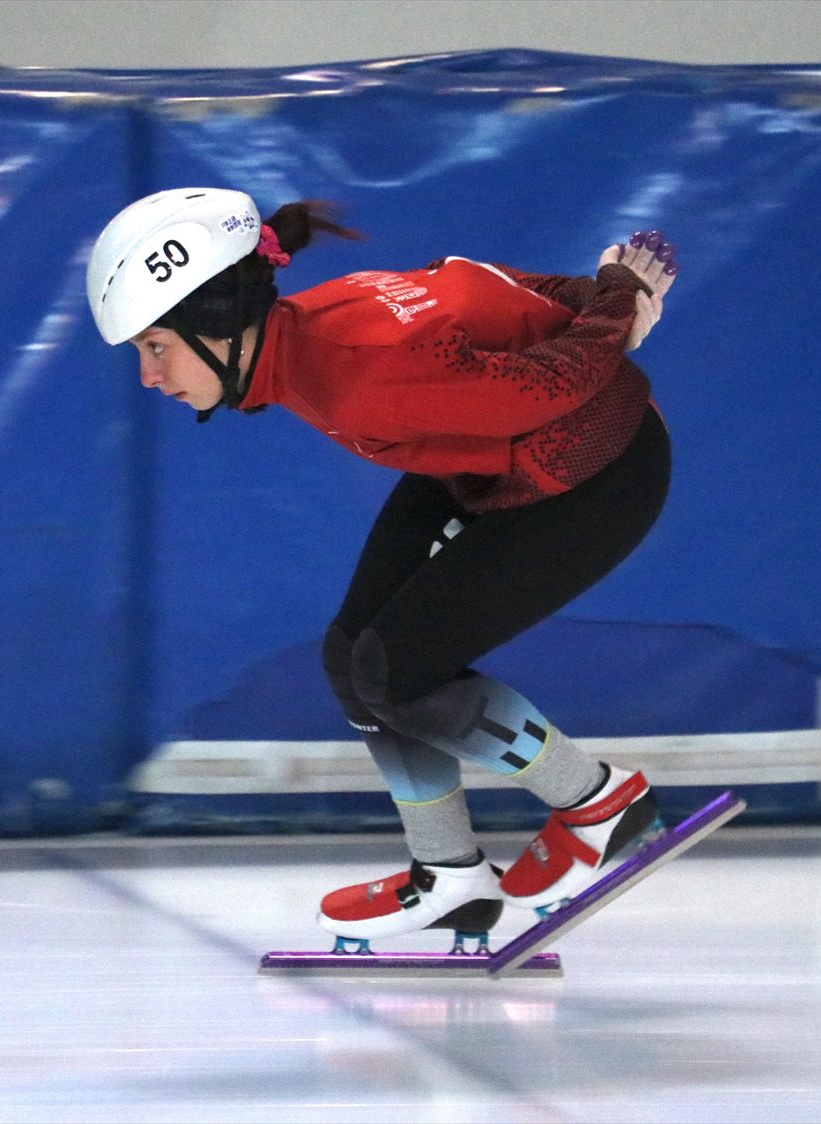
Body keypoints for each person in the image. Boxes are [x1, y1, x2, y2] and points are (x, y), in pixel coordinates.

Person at [86, 187, 679, 952]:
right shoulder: (321, 327)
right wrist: (600, 296)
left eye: (155, 346)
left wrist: (616, 304)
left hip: (597, 472)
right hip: (496, 463)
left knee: (400, 672)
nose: (148, 376)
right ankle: (449, 876)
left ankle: (600, 804)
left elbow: (555, 386)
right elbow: (482, 284)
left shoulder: (361, 374)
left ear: (217, 326)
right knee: (355, 656)